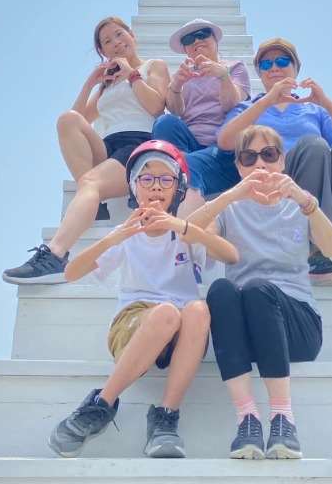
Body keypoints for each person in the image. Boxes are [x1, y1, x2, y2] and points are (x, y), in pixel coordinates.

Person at [48, 140, 238, 459]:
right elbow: (71, 273)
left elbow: (230, 255)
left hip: (180, 332)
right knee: (166, 313)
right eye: (146, 178)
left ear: (178, 188)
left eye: (166, 179)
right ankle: (101, 404)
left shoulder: (186, 230)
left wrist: (183, 226)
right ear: (134, 187)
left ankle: (165, 417)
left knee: (197, 309)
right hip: (135, 325)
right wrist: (115, 237)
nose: (156, 186)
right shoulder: (126, 233)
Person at [190, 124, 332, 459]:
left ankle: (283, 419)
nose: (260, 164)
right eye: (249, 157)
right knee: (222, 289)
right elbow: (190, 234)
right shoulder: (230, 208)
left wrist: (305, 200)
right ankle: (247, 419)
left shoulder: (300, 205)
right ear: (239, 166)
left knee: (258, 288)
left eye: (269, 155)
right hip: (248, 332)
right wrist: (230, 195)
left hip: (298, 328)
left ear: (282, 161)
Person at [3, 17, 169, 284]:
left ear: (132, 35)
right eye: (107, 41)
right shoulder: (107, 85)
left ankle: (55, 255)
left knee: (90, 183)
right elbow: (78, 119)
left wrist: (132, 74)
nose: (116, 43)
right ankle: (94, 202)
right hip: (108, 146)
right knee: (66, 120)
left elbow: (157, 107)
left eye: (119, 34)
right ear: (103, 51)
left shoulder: (153, 67)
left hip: (138, 145)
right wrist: (91, 83)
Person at [218, 37, 332, 287]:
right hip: (277, 178)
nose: (274, 67)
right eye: (266, 64)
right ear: (260, 73)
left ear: (295, 68)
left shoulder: (313, 110)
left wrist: (326, 103)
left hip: (316, 177)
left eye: (282, 61)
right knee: (313, 146)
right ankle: (315, 250)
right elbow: (226, 141)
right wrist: (267, 100)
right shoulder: (249, 107)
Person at [152, 18, 251, 207]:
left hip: (222, 148)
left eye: (203, 34)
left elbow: (233, 104)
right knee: (165, 123)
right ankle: (181, 171)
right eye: (189, 39)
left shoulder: (234, 68)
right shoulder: (183, 75)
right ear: (185, 49)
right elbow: (175, 110)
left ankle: (179, 174)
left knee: (183, 163)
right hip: (190, 142)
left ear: (215, 40)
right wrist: (176, 86)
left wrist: (223, 76)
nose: (197, 41)